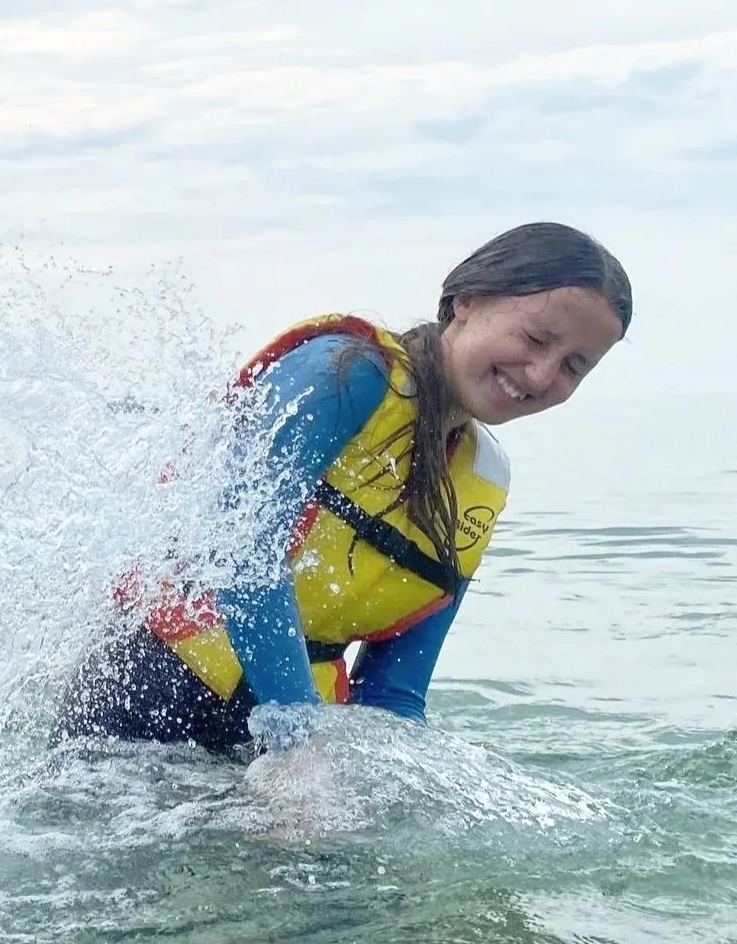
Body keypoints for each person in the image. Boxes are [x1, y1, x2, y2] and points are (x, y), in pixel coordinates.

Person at [57, 222, 633, 754]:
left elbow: (395, 694)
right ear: (469, 301)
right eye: (535, 338)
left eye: (573, 367)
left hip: (279, 737)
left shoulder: (481, 481)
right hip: (146, 698)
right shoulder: (344, 373)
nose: (540, 374)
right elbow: (240, 556)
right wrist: (295, 744)